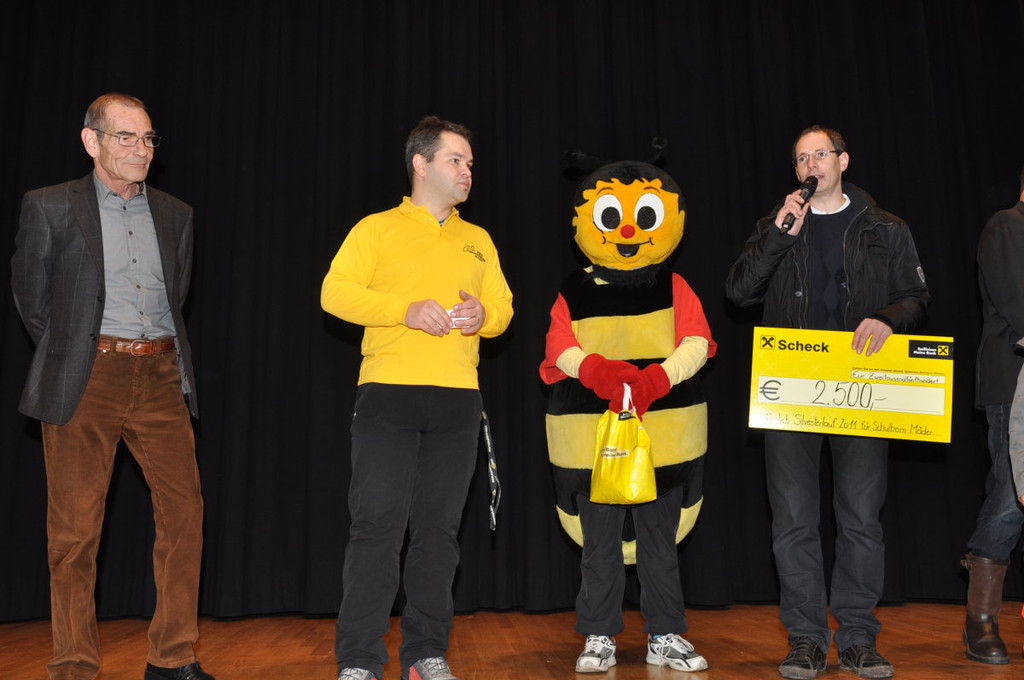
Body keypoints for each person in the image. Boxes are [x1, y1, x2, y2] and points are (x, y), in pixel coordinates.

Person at [10, 94, 214, 680]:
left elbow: (177, 295)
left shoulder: (175, 213)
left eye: (148, 138)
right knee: (74, 532)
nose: (140, 149)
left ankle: (172, 657)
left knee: (185, 517)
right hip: (87, 376)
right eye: (126, 136)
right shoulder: (50, 205)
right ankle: (74, 663)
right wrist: (78, 352)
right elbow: (32, 301)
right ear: (91, 141)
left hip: (161, 376)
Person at [726, 125, 929, 679]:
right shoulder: (777, 223)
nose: (810, 164)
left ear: (843, 161)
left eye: (820, 154)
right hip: (792, 386)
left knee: (860, 519)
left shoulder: (886, 227)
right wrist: (779, 235)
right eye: (801, 158)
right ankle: (807, 639)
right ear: (796, 172)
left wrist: (887, 319)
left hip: (860, 386)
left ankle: (859, 638)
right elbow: (738, 292)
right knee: (794, 521)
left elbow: (916, 297)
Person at [321, 116, 513, 680]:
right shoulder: (377, 229)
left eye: (471, 163)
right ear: (421, 164)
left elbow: (503, 308)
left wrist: (484, 314)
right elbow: (334, 293)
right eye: (456, 160)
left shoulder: (479, 241)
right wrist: (402, 310)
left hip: (458, 401)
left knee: (438, 533)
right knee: (376, 528)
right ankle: (360, 660)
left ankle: (426, 653)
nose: (467, 171)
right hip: (388, 396)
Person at [539, 161, 715, 675]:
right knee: (600, 545)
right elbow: (559, 346)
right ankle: (599, 634)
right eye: (613, 217)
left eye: (643, 217)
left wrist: (659, 378)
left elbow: (697, 341)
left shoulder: (675, 286)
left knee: (660, 543)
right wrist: (598, 372)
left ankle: (665, 634)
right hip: (594, 442)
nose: (629, 230)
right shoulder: (573, 289)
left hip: (663, 439)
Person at [963, 167, 1024, 664]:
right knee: (1010, 497)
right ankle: (980, 622)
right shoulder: (1008, 225)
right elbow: (1017, 303)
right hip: (1016, 384)